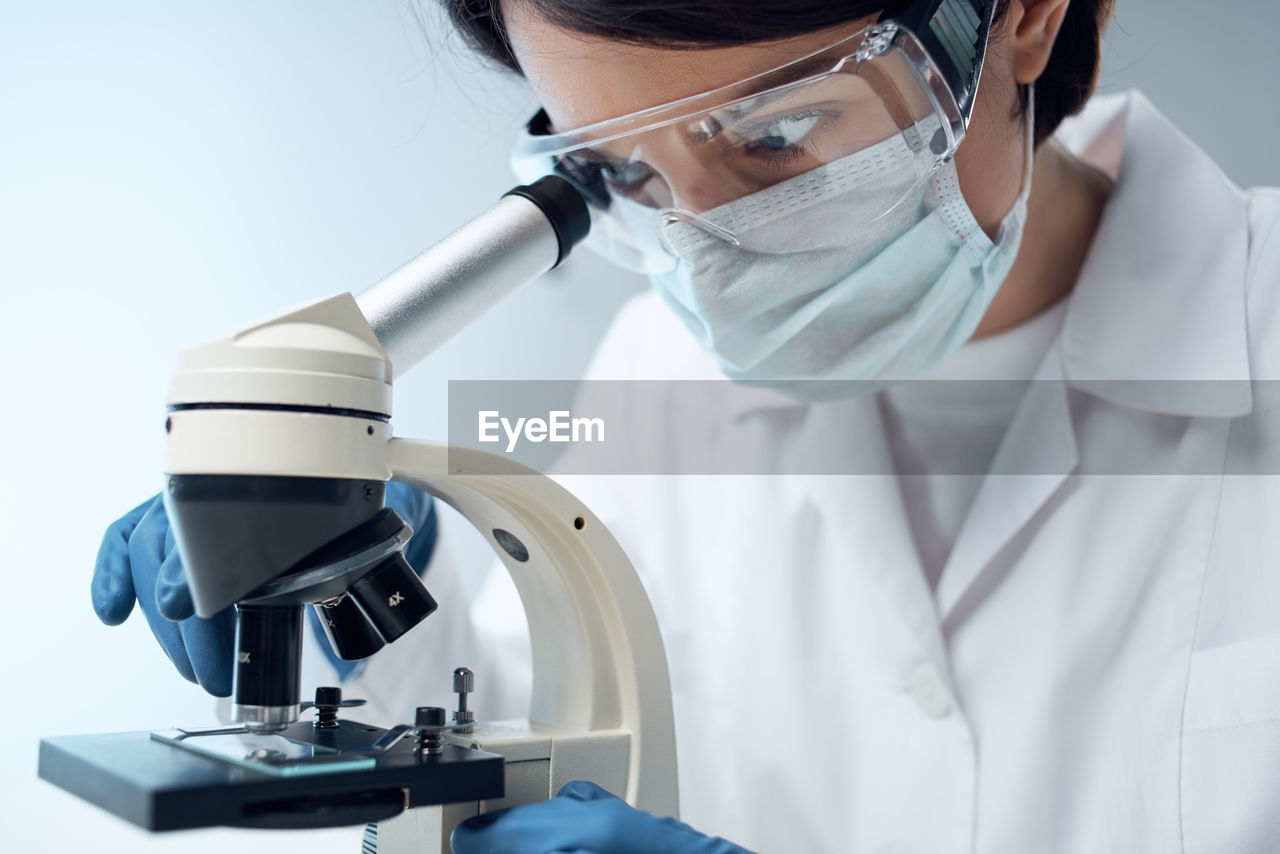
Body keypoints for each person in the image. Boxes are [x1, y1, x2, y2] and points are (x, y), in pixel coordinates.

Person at [92, 0, 1280, 851]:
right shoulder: (657, 372)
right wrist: (362, 586)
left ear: (1019, 18)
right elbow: (512, 710)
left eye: (772, 137)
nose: (707, 271)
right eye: (627, 177)